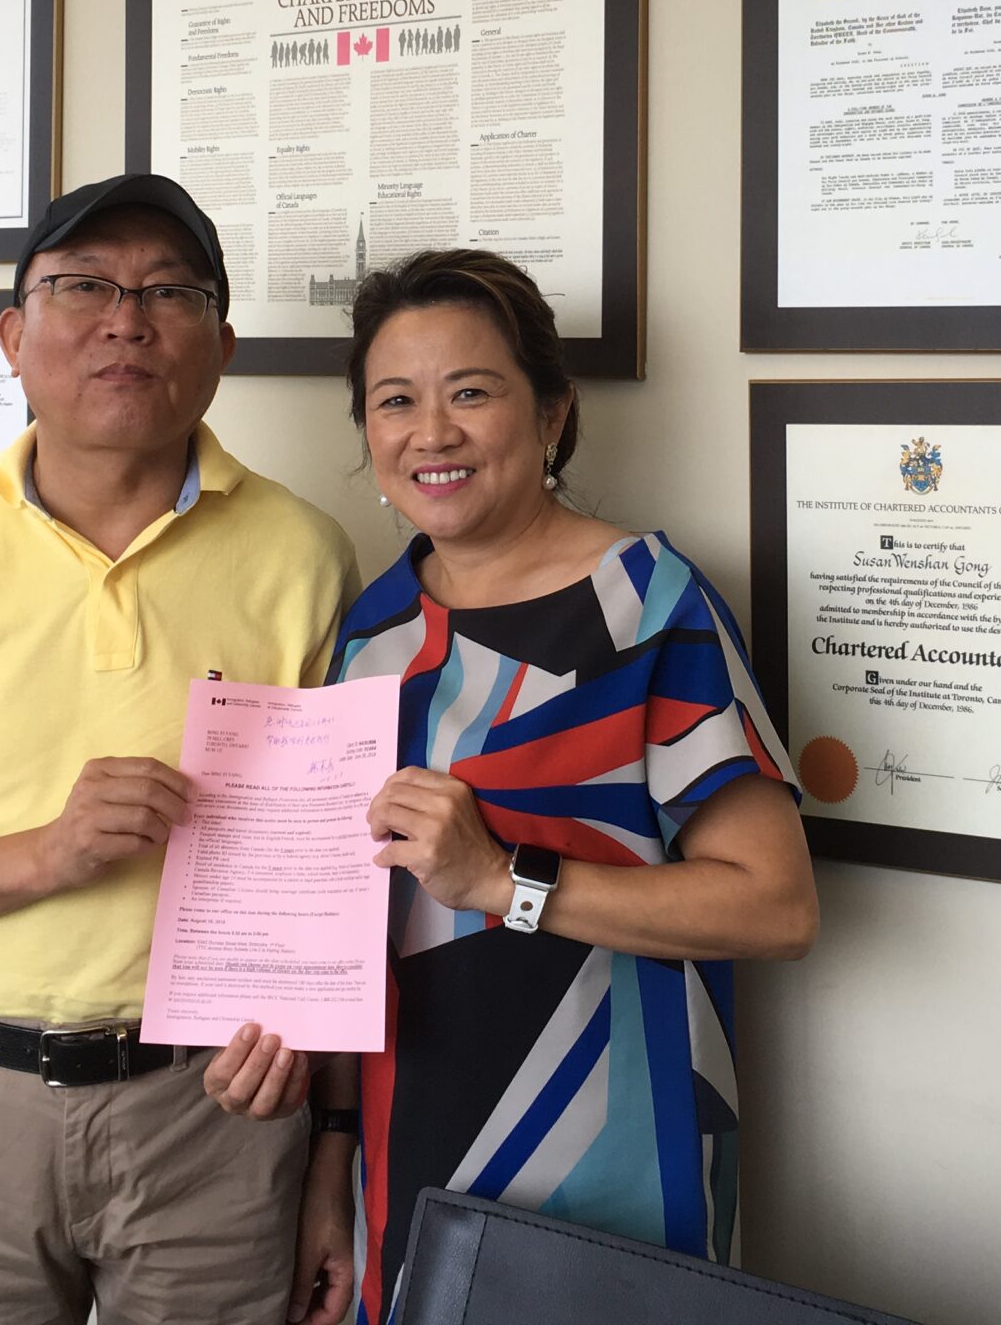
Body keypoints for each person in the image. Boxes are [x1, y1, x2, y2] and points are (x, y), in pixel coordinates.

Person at [0, 173, 362, 1325]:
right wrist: (49, 853)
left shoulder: (306, 556)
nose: (127, 320)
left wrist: (330, 1144)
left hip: (216, 1117)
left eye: (170, 292)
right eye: (84, 286)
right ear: (12, 337)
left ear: (222, 346)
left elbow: (343, 881)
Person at [203, 250, 818, 1325]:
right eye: (395, 401)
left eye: (472, 393)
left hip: (615, 1146)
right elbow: (351, 924)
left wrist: (504, 880)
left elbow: (776, 908)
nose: (430, 433)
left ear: (552, 414)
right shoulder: (373, 633)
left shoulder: (649, 607)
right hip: (404, 1142)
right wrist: (328, 1158)